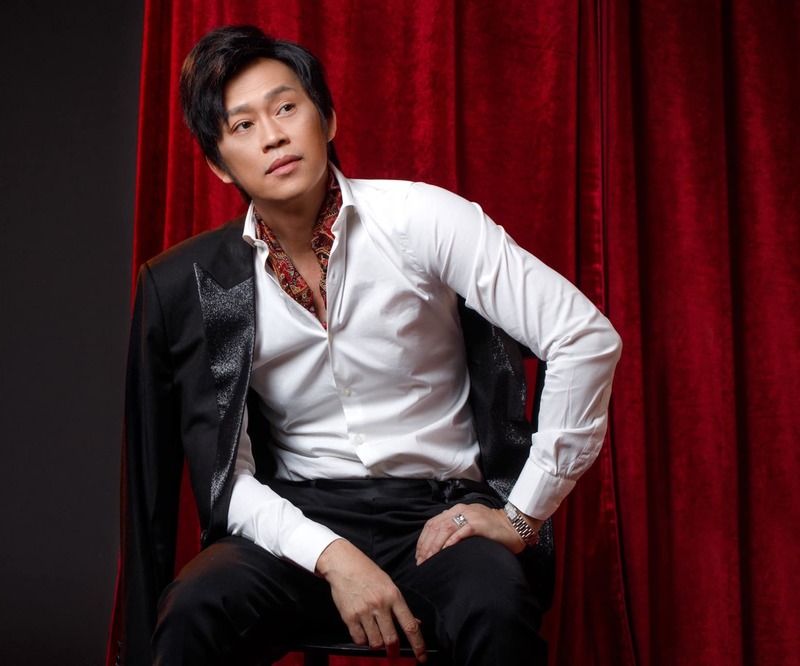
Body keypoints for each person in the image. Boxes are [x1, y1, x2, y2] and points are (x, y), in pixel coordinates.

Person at [116, 24, 621, 666]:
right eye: (242, 125)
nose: (272, 136)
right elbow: (229, 479)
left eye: (286, 107)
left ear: (326, 119)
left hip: (439, 516)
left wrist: (523, 513)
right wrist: (330, 555)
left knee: (495, 606)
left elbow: (584, 336)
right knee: (195, 607)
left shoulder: (423, 219)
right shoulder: (191, 282)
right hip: (297, 522)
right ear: (218, 163)